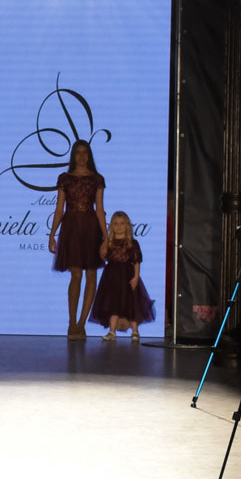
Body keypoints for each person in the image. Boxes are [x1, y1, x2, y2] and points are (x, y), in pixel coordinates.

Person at [48, 141, 105, 336]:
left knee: (91, 274)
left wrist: (106, 238)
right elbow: (59, 209)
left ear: (89, 155)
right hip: (71, 227)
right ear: (73, 155)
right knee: (76, 275)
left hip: (91, 227)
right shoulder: (65, 179)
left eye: (84, 152)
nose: (81, 156)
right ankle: (72, 323)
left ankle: (81, 324)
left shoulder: (97, 179)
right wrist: (52, 235)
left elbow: (100, 210)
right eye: (78, 153)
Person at [89, 211, 155, 339]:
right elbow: (103, 257)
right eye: (115, 224)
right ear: (111, 226)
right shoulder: (109, 242)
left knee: (132, 303)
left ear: (127, 225)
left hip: (128, 275)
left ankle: (135, 331)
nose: (119, 227)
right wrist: (103, 248)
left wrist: (136, 277)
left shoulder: (132, 243)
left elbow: (136, 261)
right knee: (113, 303)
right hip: (111, 276)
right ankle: (112, 331)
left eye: (122, 223)